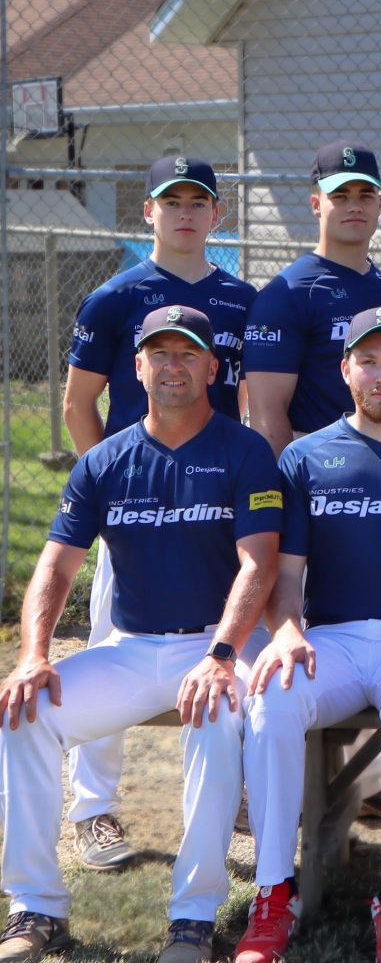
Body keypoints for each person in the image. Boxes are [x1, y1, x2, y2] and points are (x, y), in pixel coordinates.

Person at [0, 306, 280, 963]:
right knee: (24, 710)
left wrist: (222, 654)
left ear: (212, 368)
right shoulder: (104, 460)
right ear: (138, 367)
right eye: (160, 353)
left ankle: (193, 917)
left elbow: (260, 564)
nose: (172, 365)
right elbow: (56, 565)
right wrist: (34, 655)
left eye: (188, 354)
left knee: (215, 713)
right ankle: (35, 905)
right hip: (132, 648)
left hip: (216, 644)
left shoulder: (245, 450)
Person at [235, 308, 381, 963]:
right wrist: (286, 632)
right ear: (345, 369)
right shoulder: (304, 457)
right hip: (330, 639)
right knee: (271, 699)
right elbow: (285, 576)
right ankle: (273, 893)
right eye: (368, 361)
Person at [60, 156, 256, 870]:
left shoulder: (241, 299)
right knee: (109, 647)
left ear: (217, 214)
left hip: (214, 507)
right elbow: (78, 404)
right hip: (136, 509)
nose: (185, 213)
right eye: (171, 201)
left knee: (232, 645)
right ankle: (93, 809)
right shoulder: (115, 297)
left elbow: (247, 405)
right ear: (148, 212)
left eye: (198, 201)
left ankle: (237, 789)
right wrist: (110, 495)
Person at [245, 142, 381, 459]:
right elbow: (267, 413)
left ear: (379, 204)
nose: (354, 206)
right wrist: (285, 483)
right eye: (340, 196)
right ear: (316, 204)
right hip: (317, 465)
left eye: (365, 196)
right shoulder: (288, 293)